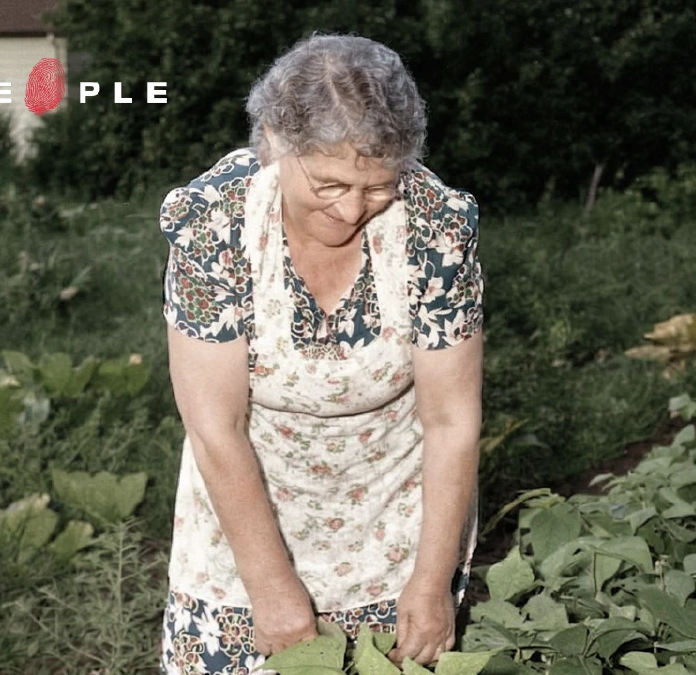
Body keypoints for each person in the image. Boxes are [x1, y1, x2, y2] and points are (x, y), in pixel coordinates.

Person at [157, 34, 483, 674]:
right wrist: (270, 586)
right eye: (329, 183)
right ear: (274, 140)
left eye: (377, 187)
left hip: (394, 521)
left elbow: (452, 421)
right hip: (244, 515)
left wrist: (430, 582)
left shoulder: (436, 227)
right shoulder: (213, 224)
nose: (351, 209)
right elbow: (214, 424)